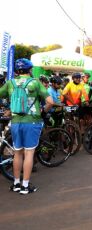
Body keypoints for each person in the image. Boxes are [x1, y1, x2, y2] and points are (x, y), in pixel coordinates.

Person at [0, 58, 54, 194]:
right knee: (29, 153)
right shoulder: (35, 83)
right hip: (32, 121)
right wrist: (42, 111)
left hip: (16, 121)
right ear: (29, 70)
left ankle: (16, 184)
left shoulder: (10, 83)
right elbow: (50, 102)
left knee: (17, 152)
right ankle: (25, 186)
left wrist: (8, 106)